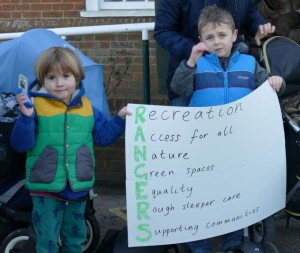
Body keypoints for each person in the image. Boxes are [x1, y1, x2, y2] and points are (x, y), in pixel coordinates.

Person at [170, 6, 285, 253]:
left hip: (237, 146)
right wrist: (191, 61)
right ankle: (197, 244)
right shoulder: (195, 64)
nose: (216, 41)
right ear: (201, 40)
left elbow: (268, 85)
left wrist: (277, 81)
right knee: (199, 196)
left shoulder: (249, 63)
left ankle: (231, 243)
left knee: (233, 193)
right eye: (209, 37)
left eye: (222, 35)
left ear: (234, 35)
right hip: (202, 147)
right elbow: (178, 88)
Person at [10, 47, 131, 253]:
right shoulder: (34, 106)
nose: (59, 83)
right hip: (45, 189)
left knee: (75, 240)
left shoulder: (88, 108)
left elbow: (103, 138)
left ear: (77, 77)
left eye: (66, 76)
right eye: (51, 77)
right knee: (46, 242)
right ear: (42, 79)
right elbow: (22, 145)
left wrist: (119, 119)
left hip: (78, 188)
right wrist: (26, 118)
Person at [154, 0, 276, 106]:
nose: (217, 42)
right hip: (191, 70)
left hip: (233, 66)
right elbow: (164, 31)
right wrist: (194, 50)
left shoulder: (249, 63)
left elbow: (250, 13)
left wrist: (259, 26)